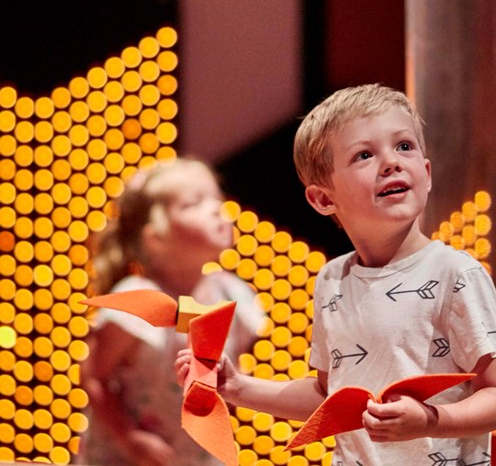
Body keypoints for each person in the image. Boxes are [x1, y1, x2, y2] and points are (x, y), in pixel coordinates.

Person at [176, 84, 496, 465]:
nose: (392, 162)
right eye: (364, 154)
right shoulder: (332, 280)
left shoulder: (456, 273)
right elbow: (330, 395)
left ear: (426, 174)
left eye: (405, 146)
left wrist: (430, 420)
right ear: (324, 199)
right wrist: (238, 387)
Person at [77, 157, 264, 466]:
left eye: (217, 199)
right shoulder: (135, 303)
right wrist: (129, 437)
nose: (216, 209)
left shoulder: (231, 294)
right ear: (156, 237)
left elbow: (234, 366)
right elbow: (94, 376)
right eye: (194, 203)